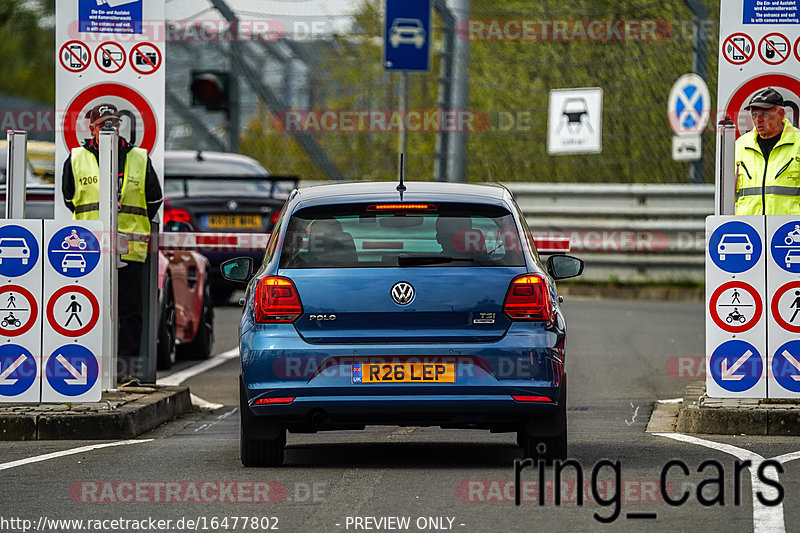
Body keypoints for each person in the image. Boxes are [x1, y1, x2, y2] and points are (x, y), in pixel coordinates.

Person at [61, 103, 163, 382]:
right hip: (88, 249)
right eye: (103, 123)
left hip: (130, 247)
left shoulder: (139, 158)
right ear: (91, 128)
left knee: (129, 312)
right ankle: (90, 369)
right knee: (91, 308)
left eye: (114, 122)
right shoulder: (76, 158)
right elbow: (70, 199)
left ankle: (126, 371)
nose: (110, 128)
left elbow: (153, 199)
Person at [734, 87, 800, 215]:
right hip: (750, 228)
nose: (758, 119)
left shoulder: (798, 142)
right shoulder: (740, 145)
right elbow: (728, 194)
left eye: (764, 114)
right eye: (754, 114)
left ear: (780, 114)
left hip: (789, 228)